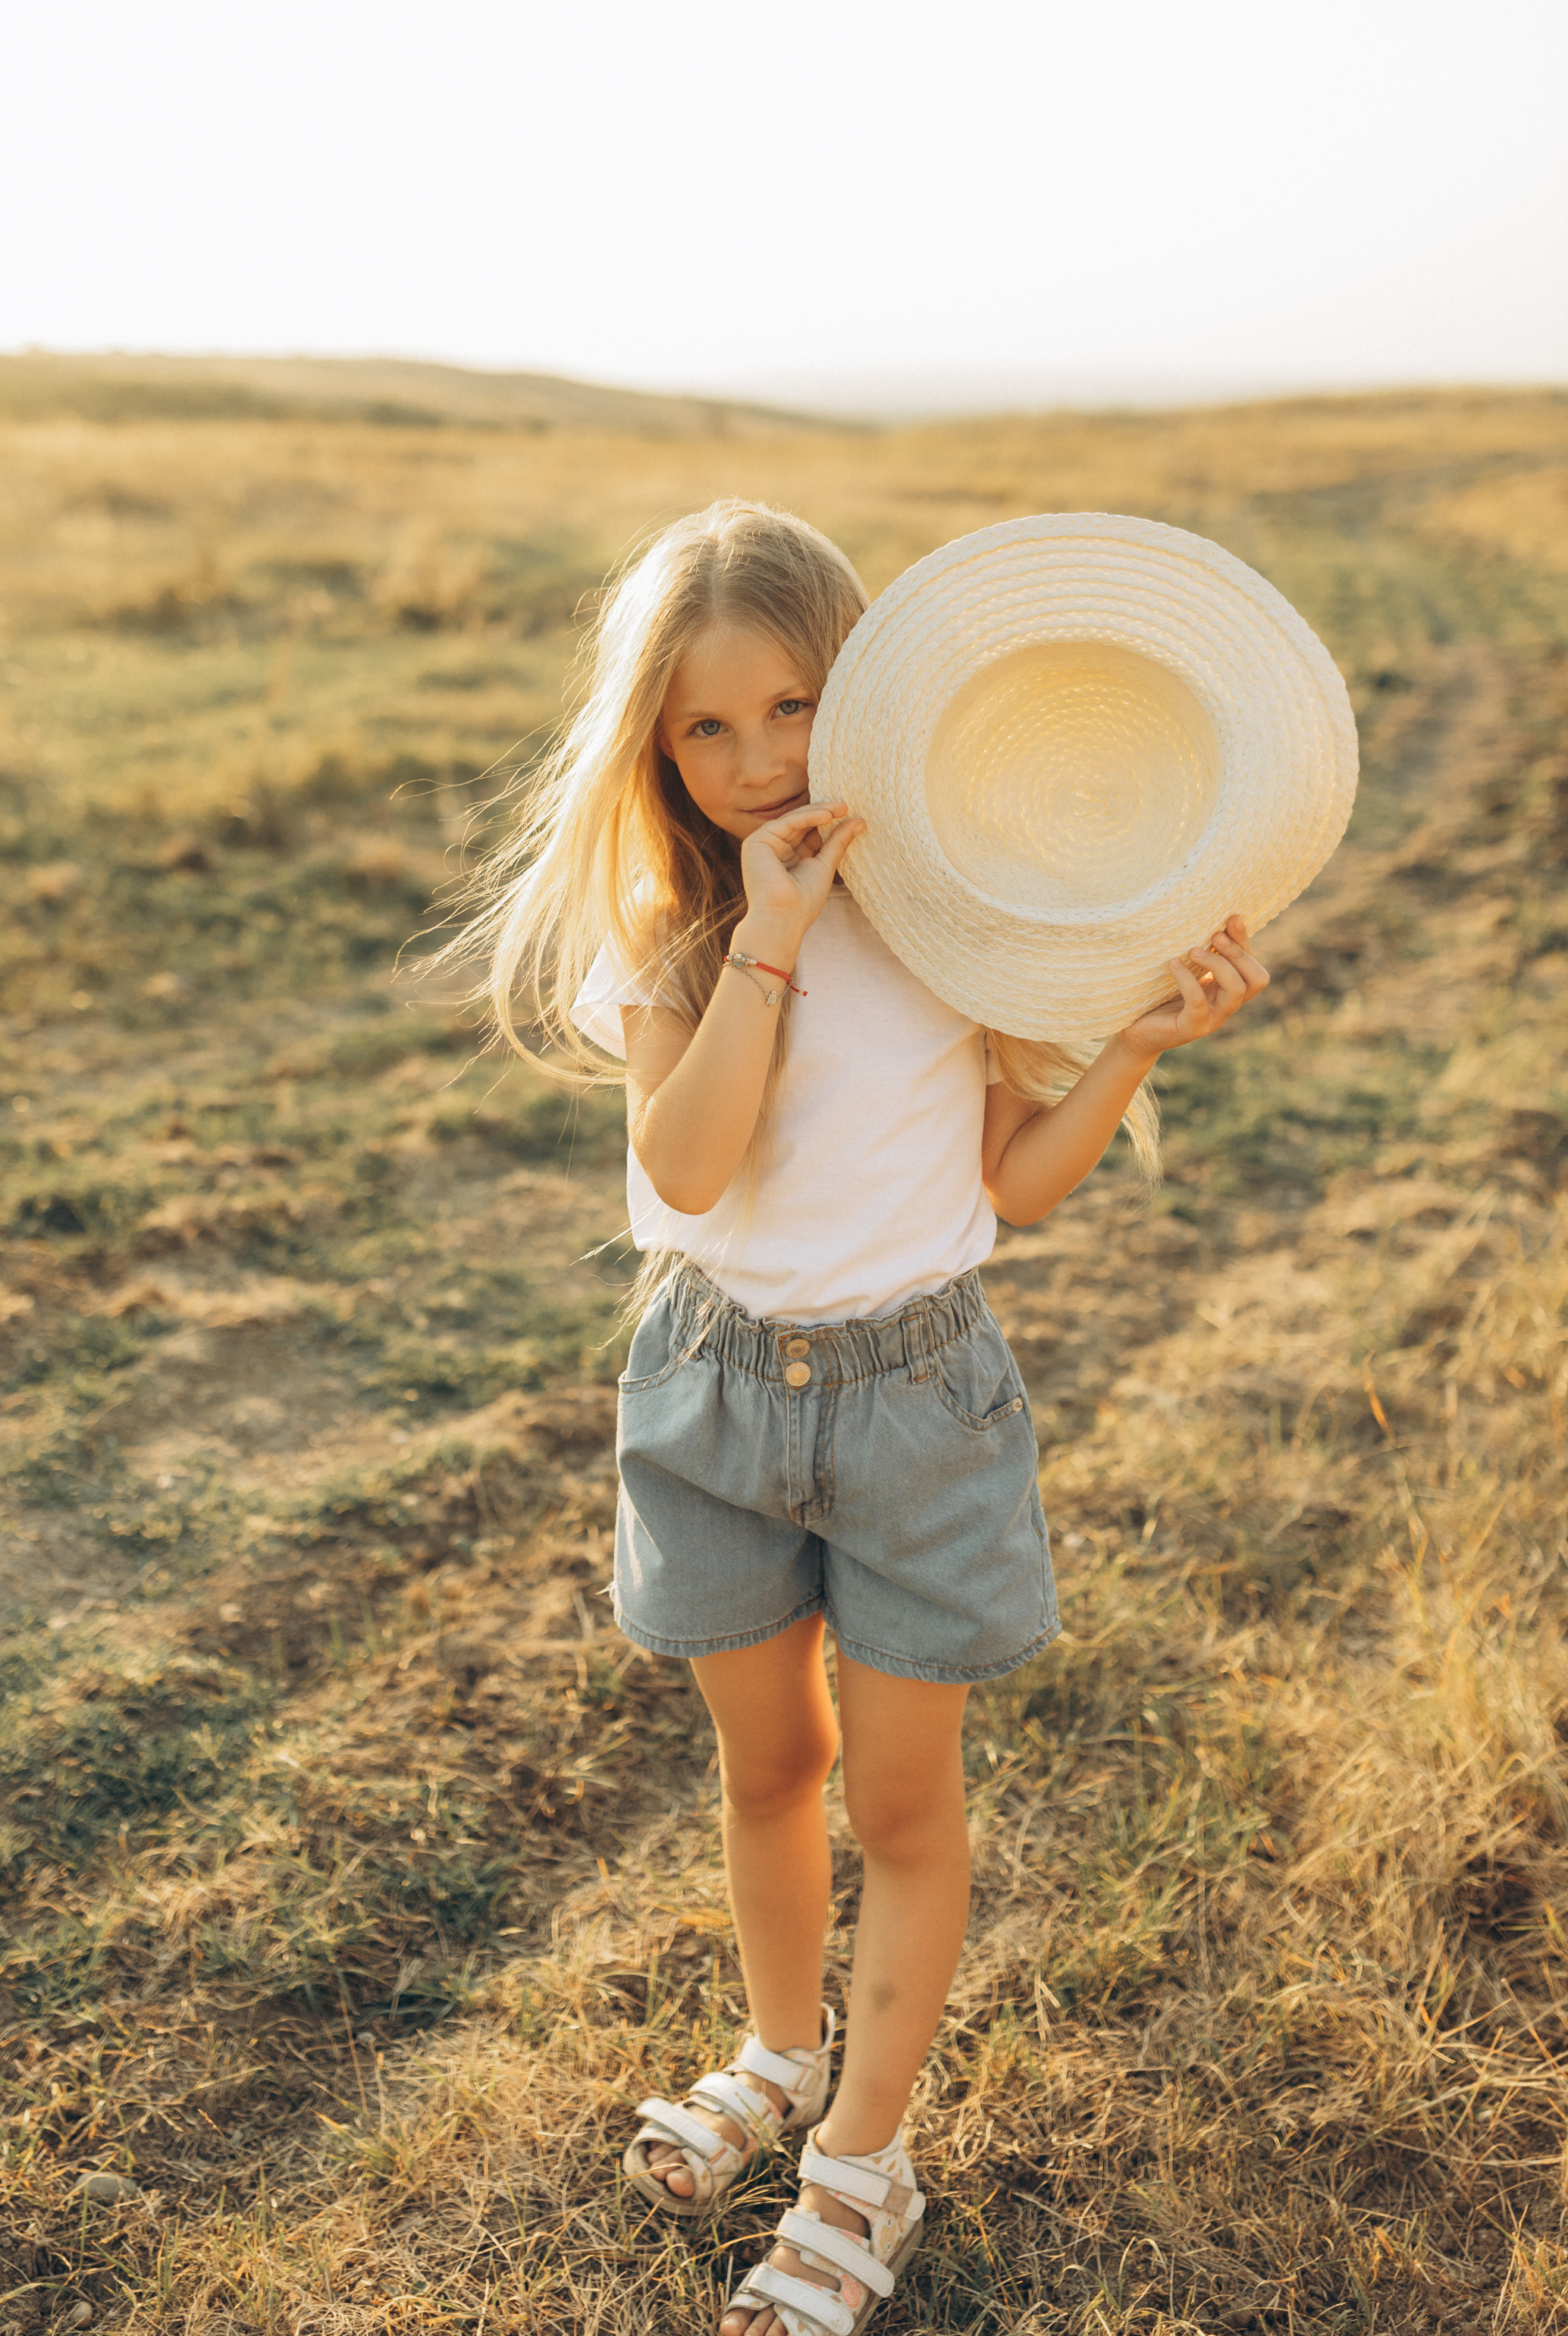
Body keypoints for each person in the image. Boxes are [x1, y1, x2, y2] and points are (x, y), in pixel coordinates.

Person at [465, 498, 1269, 2336]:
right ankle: (774, 2043)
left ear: (877, 702)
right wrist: (766, 940)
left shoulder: (947, 927)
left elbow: (1018, 1177)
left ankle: (860, 2161)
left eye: (795, 708)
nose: (756, 763)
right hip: (717, 1395)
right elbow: (688, 1164)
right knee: (769, 1771)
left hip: (915, 1401)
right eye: (705, 728)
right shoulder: (672, 939)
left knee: (905, 1804)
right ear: (655, 748)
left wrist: (1141, 1039)